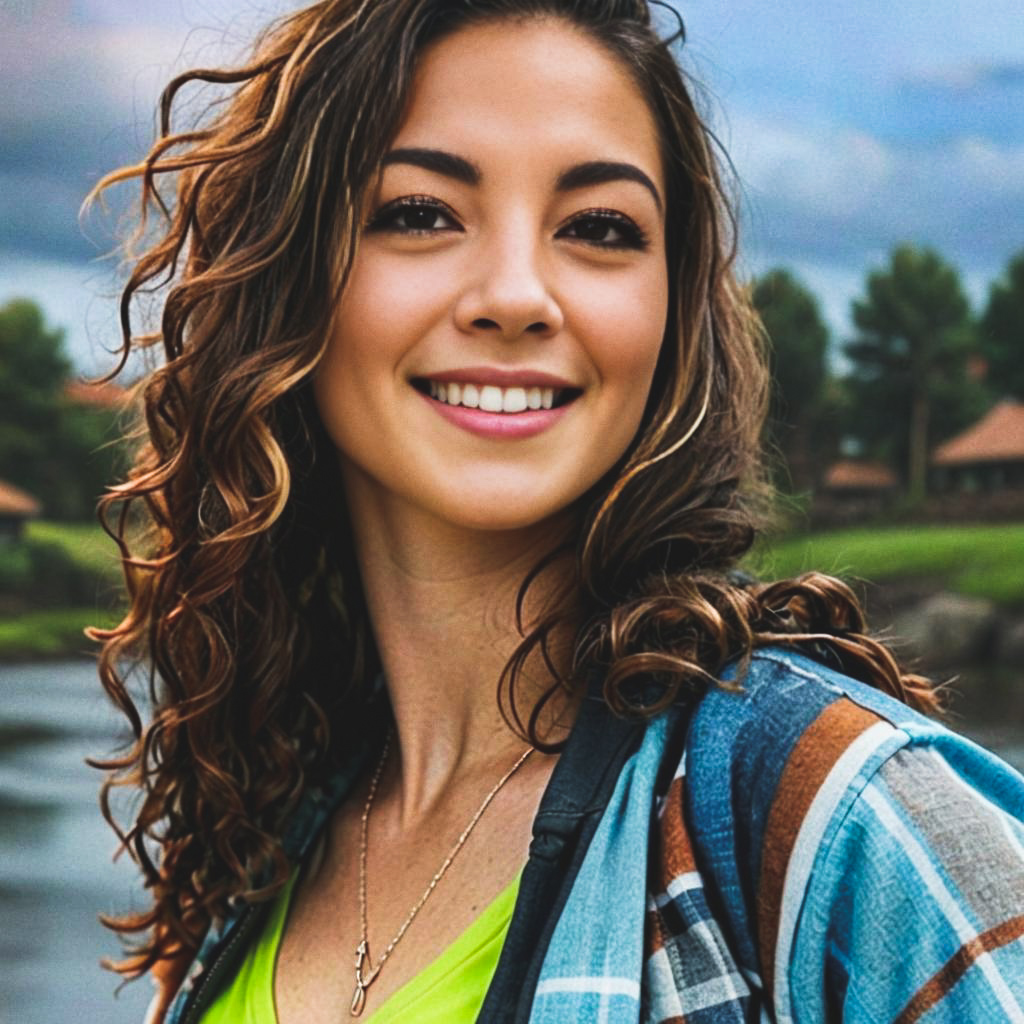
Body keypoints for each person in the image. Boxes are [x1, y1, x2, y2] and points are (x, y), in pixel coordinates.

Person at [89, 0, 1024, 1021]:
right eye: (419, 212)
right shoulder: (260, 840)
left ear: (669, 316)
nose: (516, 293)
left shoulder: (831, 820)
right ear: (290, 282)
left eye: (597, 228)